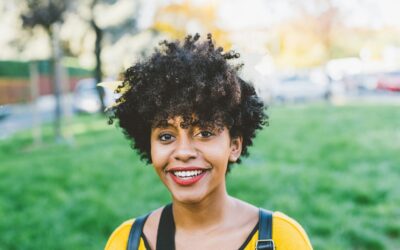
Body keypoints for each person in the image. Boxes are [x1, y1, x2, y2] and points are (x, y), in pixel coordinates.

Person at [104, 34, 312, 250]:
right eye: (166, 136)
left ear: (234, 146)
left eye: (204, 133)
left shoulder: (280, 239)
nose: (183, 152)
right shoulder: (127, 242)